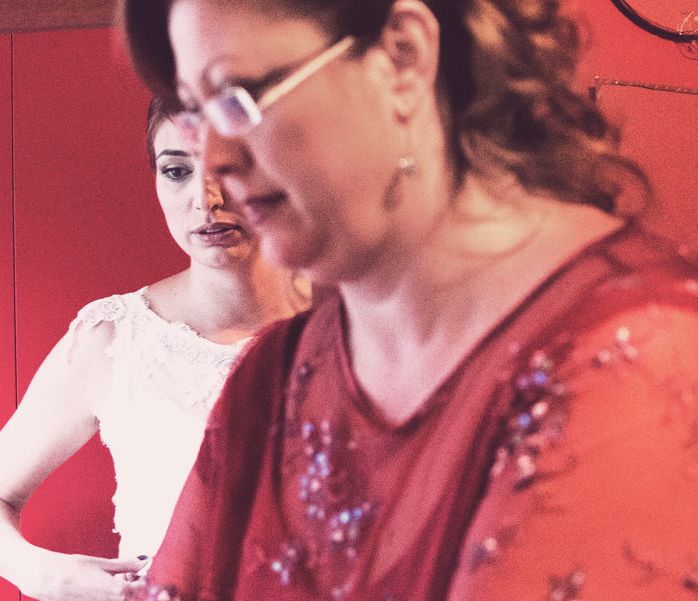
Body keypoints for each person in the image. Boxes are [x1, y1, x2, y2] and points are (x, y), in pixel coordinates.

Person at [120, 0, 698, 599]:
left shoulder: (643, 355)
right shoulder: (272, 378)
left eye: (240, 96)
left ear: (402, 58)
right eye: (196, 112)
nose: (216, 161)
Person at [0, 98, 311, 601]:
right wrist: (42, 574)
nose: (205, 199)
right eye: (177, 170)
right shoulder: (116, 336)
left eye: (233, 167)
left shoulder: (358, 322)